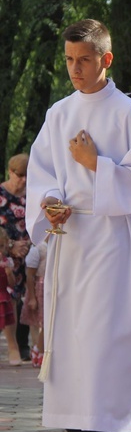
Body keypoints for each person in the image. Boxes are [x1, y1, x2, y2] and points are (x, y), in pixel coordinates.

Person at [26, 18, 131, 432]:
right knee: (71, 339)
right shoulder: (59, 112)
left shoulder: (129, 114)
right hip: (71, 242)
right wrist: (49, 203)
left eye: (84, 60)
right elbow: (42, 172)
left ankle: (98, 428)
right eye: (69, 60)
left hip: (110, 242)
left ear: (106, 59)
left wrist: (96, 165)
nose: (75, 69)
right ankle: (75, 427)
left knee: (104, 340)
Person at [0, 153, 32, 361]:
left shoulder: (31, 196)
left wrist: (27, 245)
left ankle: (23, 345)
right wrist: (11, 246)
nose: (24, 180)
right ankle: (13, 348)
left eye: (27, 175)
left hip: (28, 253)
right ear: (10, 172)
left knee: (26, 299)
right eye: (20, 175)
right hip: (4, 254)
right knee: (8, 299)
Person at [21, 239, 48, 368]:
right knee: (42, 322)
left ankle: (40, 348)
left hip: (53, 288)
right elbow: (30, 275)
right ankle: (39, 350)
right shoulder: (38, 248)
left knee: (48, 322)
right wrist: (32, 297)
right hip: (40, 289)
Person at [0, 227, 20, 365]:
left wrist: (9, 273)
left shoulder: (6, 261)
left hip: (2, 295)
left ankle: (13, 348)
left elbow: (12, 283)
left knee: (5, 325)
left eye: (1, 246)